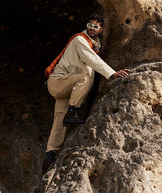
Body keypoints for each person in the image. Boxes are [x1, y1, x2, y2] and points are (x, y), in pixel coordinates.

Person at [43, 14, 129, 172]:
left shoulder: (95, 44)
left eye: (95, 26)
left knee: (59, 120)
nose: (91, 28)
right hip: (59, 82)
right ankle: (72, 110)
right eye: (89, 24)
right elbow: (92, 60)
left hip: (67, 86)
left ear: (101, 29)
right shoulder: (80, 40)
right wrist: (112, 73)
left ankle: (50, 154)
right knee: (85, 76)